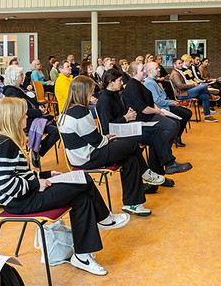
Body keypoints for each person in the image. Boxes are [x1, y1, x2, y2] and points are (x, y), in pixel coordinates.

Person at [0, 97, 129, 276]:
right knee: (84, 179)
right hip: (20, 202)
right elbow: (8, 186)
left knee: (82, 198)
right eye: (23, 116)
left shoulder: (5, 141)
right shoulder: (4, 144)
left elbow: (18, 176)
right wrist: (37, 183)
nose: (26, 119)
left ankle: (82, 255)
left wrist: (44, 175)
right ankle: (104, 219)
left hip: (25, 196)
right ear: (13, 119)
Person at [59, 76, 152, 217]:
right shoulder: (80, 113)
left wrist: (105, 139)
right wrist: (107, 139)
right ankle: (146, 173)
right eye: (91, 91)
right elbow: (97, 142)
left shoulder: (68, 110)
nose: (92, 94)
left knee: (131, 158)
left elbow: (92, 138)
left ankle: (133, 204)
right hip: (87, 157)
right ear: (84, 92)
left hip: (82, 155)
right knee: (132, 144)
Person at [97, 68, 176, 188]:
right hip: (115, 134)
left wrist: (129, 114)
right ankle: (167, 164)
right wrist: (126, 118)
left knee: (156, 130)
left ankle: (160, 171)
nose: (122, 83)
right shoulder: (104, 100)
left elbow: (120, 114)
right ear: (111, 82)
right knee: (154, 134)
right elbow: (107, 126)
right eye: (119, 80)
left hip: (124, 128)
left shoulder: (115, 95)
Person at [122, 62, 191, 174]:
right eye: (142, 70)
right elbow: (143, 108)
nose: (144, 71)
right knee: (171, 126)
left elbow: (149, 101)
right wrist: (157, 111)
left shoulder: (139, 83)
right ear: (134, 73)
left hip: (149, 115)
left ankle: (162, 161)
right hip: (143, 118)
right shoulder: (132, 86)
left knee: (175, 124)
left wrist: (157, 110)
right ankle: (162, 162)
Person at [2, 65, 60, 165]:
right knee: (56, 131)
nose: (23, 76)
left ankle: (37, 149)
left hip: (34, 117)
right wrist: (39, 111)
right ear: (14, 77)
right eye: (21, 75)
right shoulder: (10, 92)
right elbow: (22, 111)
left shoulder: (20, 88)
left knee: (57, 129)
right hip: (25, 121)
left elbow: (32, 102)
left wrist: (40, 107)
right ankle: (37, 150)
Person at [143, 62, 192, 146]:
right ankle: (175, 137)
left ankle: (176, 136)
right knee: (186, 114)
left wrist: (171, 101)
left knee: (187, 113)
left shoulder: (154, 81)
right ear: (150, 71)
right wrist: (171, 102)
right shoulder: (149, 83)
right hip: (162, 108)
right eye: (156, 68)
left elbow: (163, 97)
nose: (159, 70)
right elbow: (157, 100)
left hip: (166, 105)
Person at [169, 57, 218, 122]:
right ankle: (210, 96)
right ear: (174, 65)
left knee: (205, 96)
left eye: (181, 63)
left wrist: (193, 86)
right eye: (179, 63)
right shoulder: (175, 74)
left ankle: (207, 117)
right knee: (203, 86)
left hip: (186, 91)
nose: (181, 64)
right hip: (182, 94)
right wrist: (193, 85)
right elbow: (181, 86)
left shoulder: (179, 71)